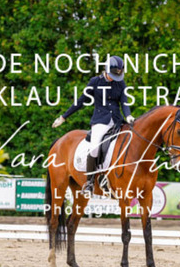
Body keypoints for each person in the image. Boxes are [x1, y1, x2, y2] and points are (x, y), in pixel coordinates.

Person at [51, 55, 134, 193]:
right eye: (113, 75)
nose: (115, 78)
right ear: (106, 70)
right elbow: (81, 101)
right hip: (101, 121)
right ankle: (89, 182)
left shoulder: (120, 83)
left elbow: (124, 102)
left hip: (117, 121)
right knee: (95, 148)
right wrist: (64, 117)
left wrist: (129, 115)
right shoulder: (95, 82)